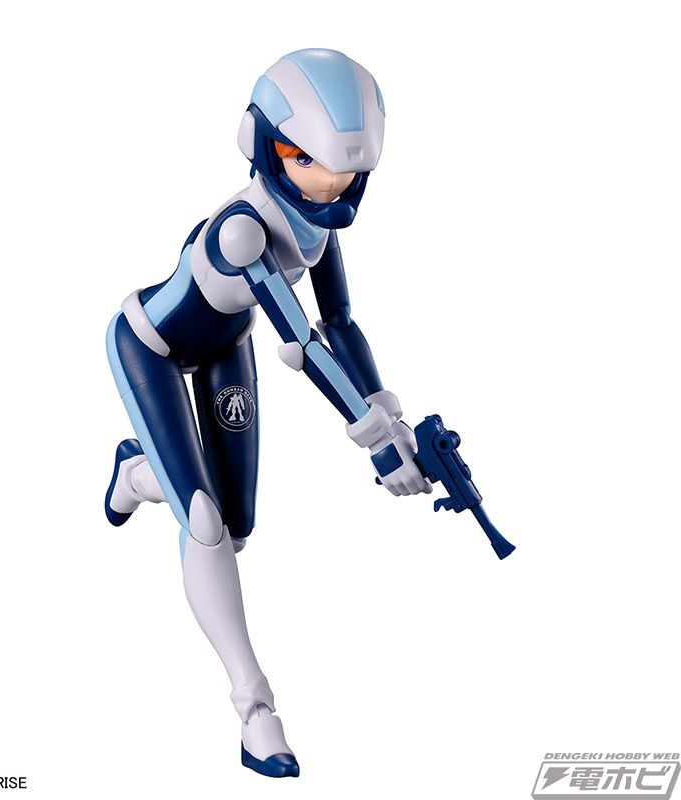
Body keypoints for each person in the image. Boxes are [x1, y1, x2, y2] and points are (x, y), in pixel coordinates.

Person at [104, 48, 431, 778]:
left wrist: (391, 413)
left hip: (225, 346)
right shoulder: (244, 231)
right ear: (265, 144)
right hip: (150, 347)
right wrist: (377, 444)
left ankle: (139, 473)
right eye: (307, 161)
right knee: (205, 523)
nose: (330, 184)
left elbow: (341, 324)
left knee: (238, 527)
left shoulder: (320, 223)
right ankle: (255, 712)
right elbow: (303, 343)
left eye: (344, 171)